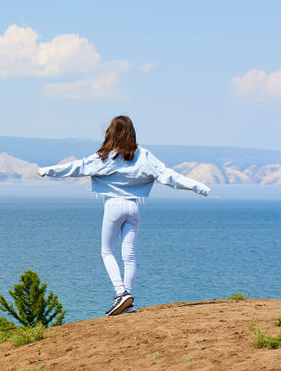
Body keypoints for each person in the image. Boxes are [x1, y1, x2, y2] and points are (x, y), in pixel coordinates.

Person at [37, 115, 211, 317]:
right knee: (129, 256)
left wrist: (46, 171)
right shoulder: (144, 156)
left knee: (107, 252)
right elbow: (169, 176)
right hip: (134, 208)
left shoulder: (104, 156)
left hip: (113, 207)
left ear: (110, 133)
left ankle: (121, 293)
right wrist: (199, 187)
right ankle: (127, 300)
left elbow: (76, 167)